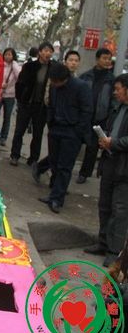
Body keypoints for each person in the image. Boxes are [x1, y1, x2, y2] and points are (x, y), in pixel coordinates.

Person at [84, 74, 128, 267]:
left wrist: (114, 143)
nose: (115, 93)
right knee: (104, 205)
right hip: (109, 162)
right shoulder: (117, 108)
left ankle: (114, 251)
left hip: (124, 169)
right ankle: (102, 242)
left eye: (118, 89)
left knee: (120, 211)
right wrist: (105, 140)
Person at [37, 64, 92, 213]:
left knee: (64, 167)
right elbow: (51, 105)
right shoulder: (54, 87)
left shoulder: (81, 87)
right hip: (56, 128)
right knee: (54, 162)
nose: (54, 84)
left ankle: (57, 199)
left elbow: (87, 111)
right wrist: (51, 123)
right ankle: (53, 194)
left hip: (72, 131)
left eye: (56, 82)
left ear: (64, 79)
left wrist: (78, 131)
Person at [32, 50, 82, 182]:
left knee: (62, 154)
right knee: (56, 153)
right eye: (71, 60)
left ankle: (50, 177)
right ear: (65, 61)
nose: (73, 63)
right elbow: (48, 97)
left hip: (70, 123)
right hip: (56, 119)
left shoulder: (78, 81)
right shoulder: (56, 75)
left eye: (76, 61)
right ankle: (45, 172)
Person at [10, 41, 56, 166]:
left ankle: (33, 159)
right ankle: (15, 155)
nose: (47, 53)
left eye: (50, 51)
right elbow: (20, 84)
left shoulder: (53, 69)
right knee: (19, 131)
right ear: (40, 52)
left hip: (41, 106)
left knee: (38, 133)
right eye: (45, 51)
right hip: (26, 103)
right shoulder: (29, 66)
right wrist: (21, 99)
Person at [76, 48, 115, 184]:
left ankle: (84, 173)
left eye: (109, 59)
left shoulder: (111, 80)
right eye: (104, 58)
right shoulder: (86, 76)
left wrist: (109, 118)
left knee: (92, 148)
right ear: (97, 59)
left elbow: (113, 101)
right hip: (83, 117)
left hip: (100, 119)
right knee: (74, 144)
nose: (107, 61)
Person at [0, 48, 21, 146]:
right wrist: (0, 85)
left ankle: (3, 137)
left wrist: (14, 64)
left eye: (10, 54)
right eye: (6, 54)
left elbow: (19, 76)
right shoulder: (0, 65)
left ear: (13, 56)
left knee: (7, 117)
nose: (8, 56)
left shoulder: (15, 66)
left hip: (10, 95)